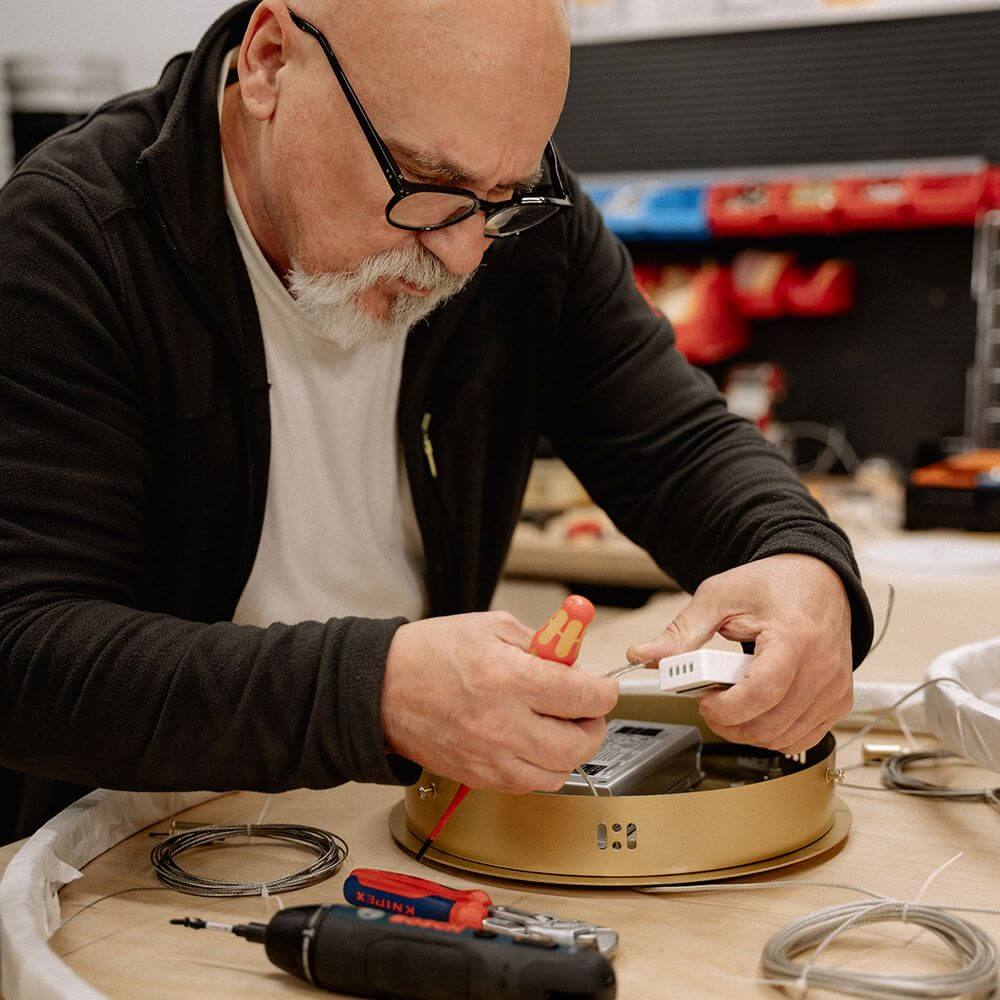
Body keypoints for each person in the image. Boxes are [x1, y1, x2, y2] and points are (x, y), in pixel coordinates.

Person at [0, 0, 872, 843]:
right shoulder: (70, 243)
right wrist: (374, 691)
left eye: (505, 196)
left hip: (395, 817)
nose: (463, 253)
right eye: (427, 184)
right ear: (271, 62)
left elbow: (674, 443)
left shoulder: (509, 221)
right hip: (106, 854)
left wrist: (798, 559)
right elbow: (24, 650)